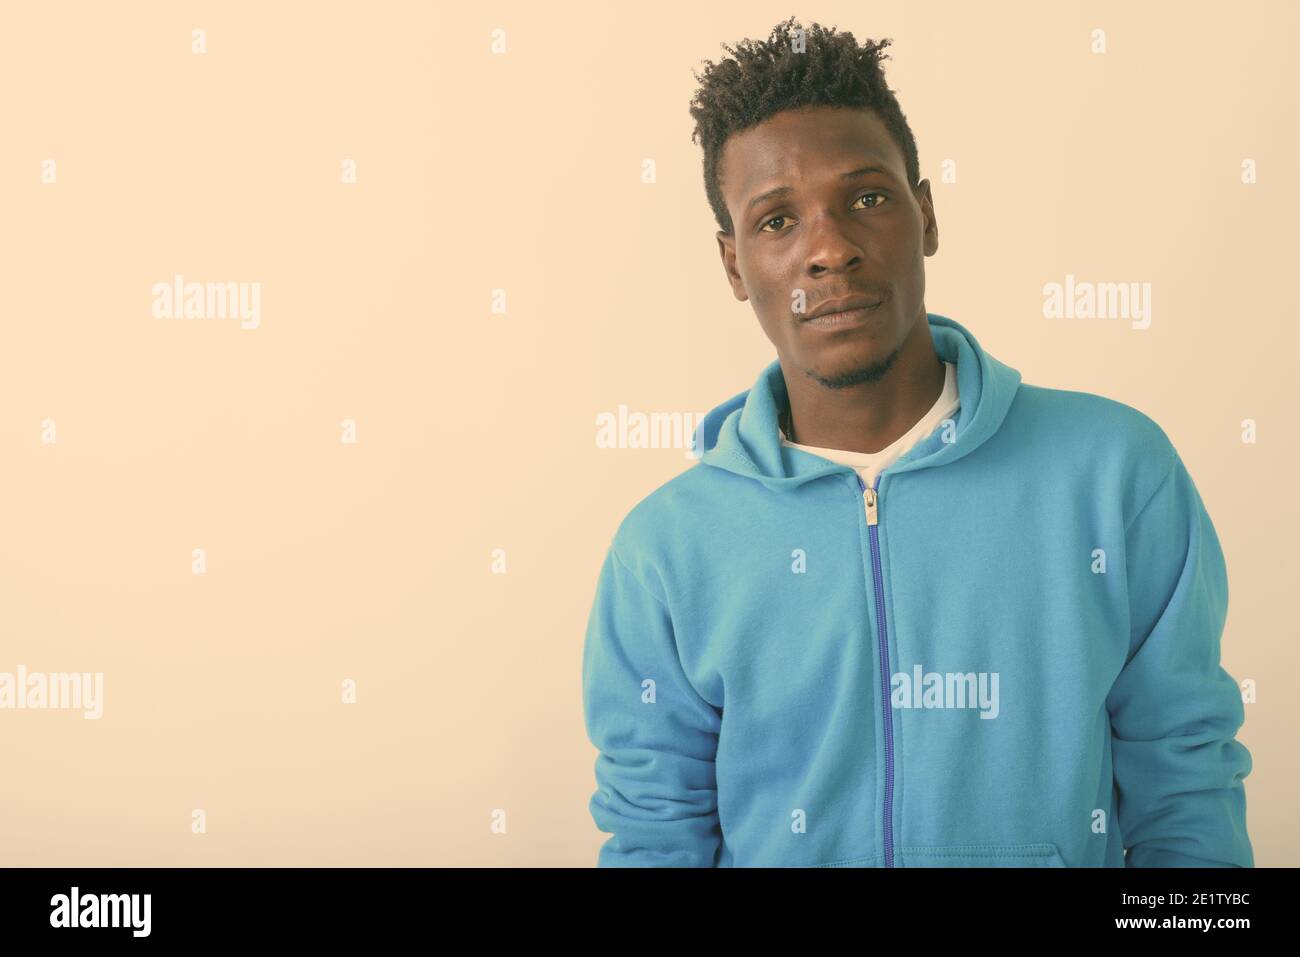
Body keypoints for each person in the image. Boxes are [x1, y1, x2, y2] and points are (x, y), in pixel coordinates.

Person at [580, 17, 1253, 867]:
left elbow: (1186, 787)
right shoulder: (665, 551)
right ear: (732, 263)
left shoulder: (1115, 474)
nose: (829, 249)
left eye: (866, 198)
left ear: (925, 214)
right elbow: (655, 834)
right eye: (778, 220)